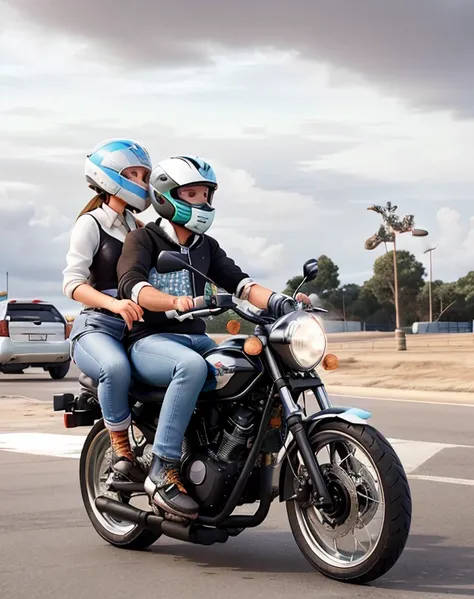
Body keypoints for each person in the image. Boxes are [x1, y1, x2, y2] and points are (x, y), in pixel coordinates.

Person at [117, 155, 310, 519]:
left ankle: (242, 455)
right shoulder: (142, 239)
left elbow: (242, 284)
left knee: (249, 363)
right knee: (190, 368)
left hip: (196, 338)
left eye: (205, 195)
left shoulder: (206, 245)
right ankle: (162, 470)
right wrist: (174, 301)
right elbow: (133, 287)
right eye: (190, 194)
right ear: (165, 196)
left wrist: (281, 301)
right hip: (149, 341)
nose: (201, 203)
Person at [63, 138, 152, 482]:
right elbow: (71, 284)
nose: (142, 183)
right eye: (133, 174)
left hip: (137, 328)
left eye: (145, 175)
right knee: (114, 368)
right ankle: (120, 450)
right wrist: (114, 302)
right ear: (110, 176)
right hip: (96, 327)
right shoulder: (91, 224)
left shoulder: (139, 229)